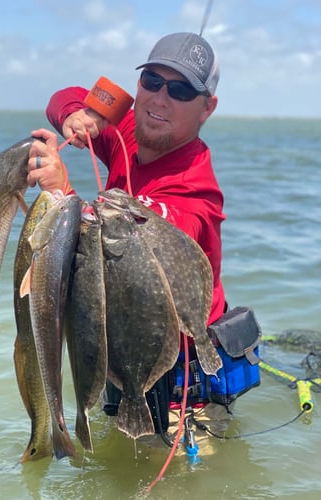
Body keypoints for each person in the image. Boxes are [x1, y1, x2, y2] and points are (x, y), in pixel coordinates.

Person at [27, 32, 259, 455]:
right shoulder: (130, 128)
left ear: (208, 108)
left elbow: (134, 244)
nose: (159, 98)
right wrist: (79, 115)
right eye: (151, 81)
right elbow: (65, 95)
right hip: (122, 369)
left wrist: (63, 195)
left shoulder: (196, 188)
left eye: (181, 89)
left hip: (183, 396)